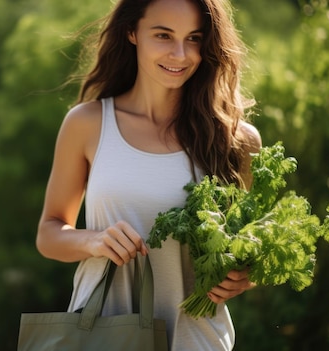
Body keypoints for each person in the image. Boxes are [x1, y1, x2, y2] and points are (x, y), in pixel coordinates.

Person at [36, 0, 261, 349]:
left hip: (195, 340)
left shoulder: (236, 139)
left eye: (194, 38)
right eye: (163, 35)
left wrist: (244, 276)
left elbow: (246, 249)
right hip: (101, 336)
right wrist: (93, 241)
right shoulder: (88, 124)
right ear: (132, 32)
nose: (180, 54)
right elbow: (49, 234)